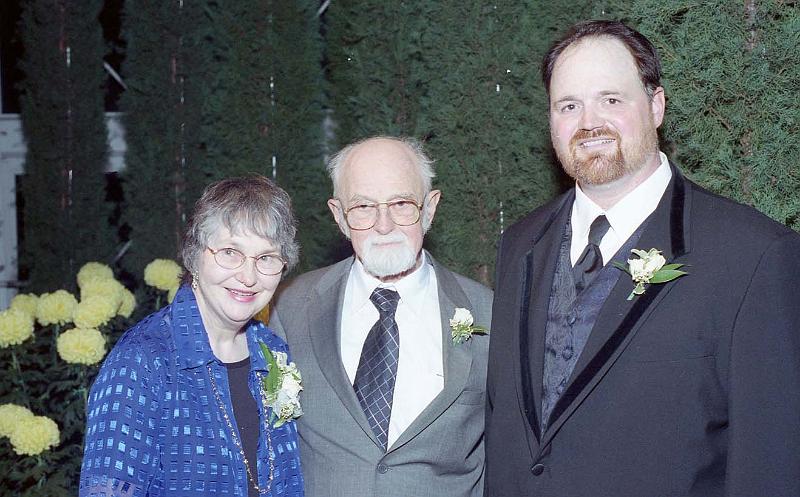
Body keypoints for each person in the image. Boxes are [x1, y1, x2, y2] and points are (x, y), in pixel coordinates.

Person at [485, 19, 800, 497]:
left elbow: (771, 459)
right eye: (569, 105)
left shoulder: (753, 256)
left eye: (611, 99)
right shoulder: (519, 245)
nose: (589, 122)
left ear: (656, 105)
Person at [269, 136, 492, 497]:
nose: (383, 225)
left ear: (430, 208)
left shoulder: (489, 315)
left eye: (401, 203)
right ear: (339, 216)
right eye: (363, 207)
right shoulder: (291, 308)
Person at [80, 176, 305, 497]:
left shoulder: (273, 353)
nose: (248, 276)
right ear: (194, 255)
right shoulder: (143, 360)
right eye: (230, 252)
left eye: (266, 258)